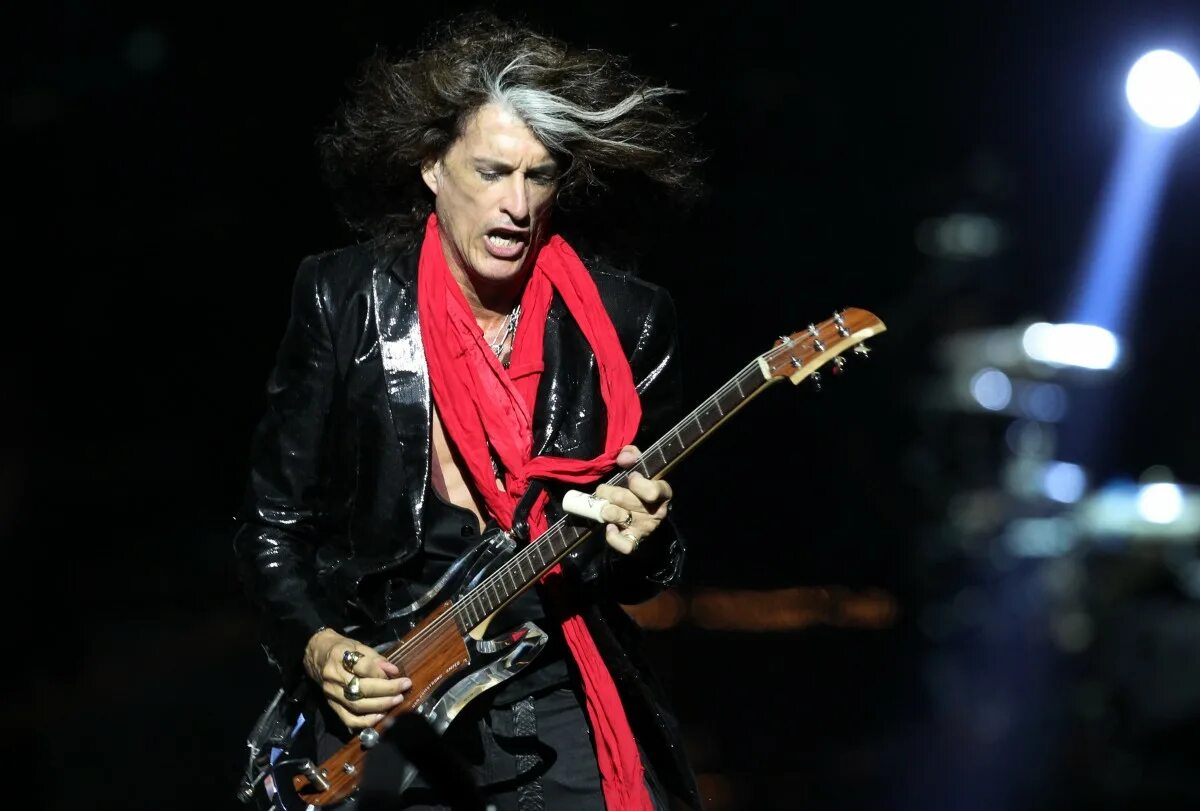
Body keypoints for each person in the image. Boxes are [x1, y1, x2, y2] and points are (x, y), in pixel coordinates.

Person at [232, 11, 704, 811]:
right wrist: (319, 647)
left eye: (539, 176)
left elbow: (642, 569)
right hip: (394, 699)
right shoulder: (344, 299)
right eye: (492, 171)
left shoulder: (628, 323)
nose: (518, 204)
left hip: (559, 690)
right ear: (430, 166)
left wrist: (645, 538)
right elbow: (271, 524)